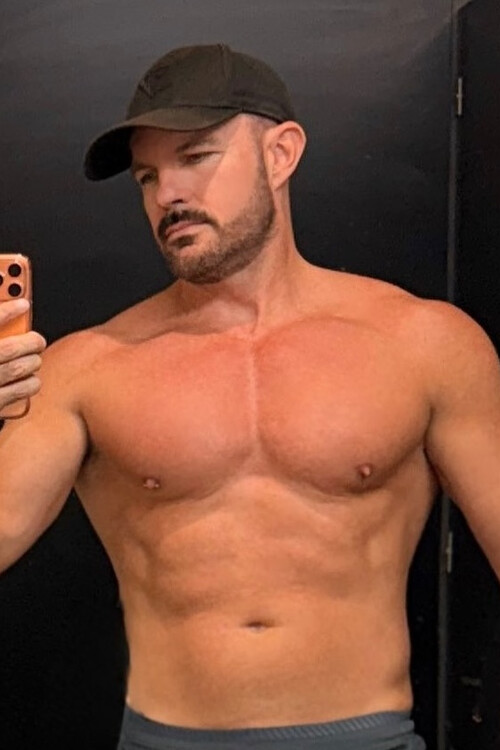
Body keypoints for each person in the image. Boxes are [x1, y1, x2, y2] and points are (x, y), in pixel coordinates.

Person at [1, 43, 499, 750]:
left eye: (196, 157)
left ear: (281, 153)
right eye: (148, 176)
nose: (167, 195)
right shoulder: (87, 367)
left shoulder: (425, 343)